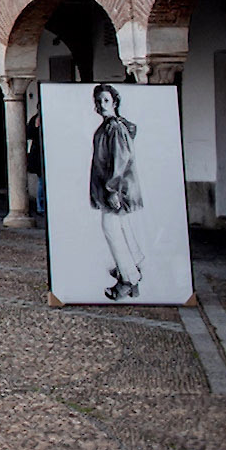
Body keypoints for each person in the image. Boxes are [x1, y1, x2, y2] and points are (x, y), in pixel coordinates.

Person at [89, 83, 146, 300]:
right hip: (109, 188)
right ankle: (135, 264)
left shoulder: (115, 128)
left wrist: (113, 190)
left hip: (116, 189)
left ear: (114, 102)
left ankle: (128, 278)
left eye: (105, 100)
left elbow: (120, 161)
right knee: (121, 226)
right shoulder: (108, 127)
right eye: (98, 101)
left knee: (111, 228)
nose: (101, 105)